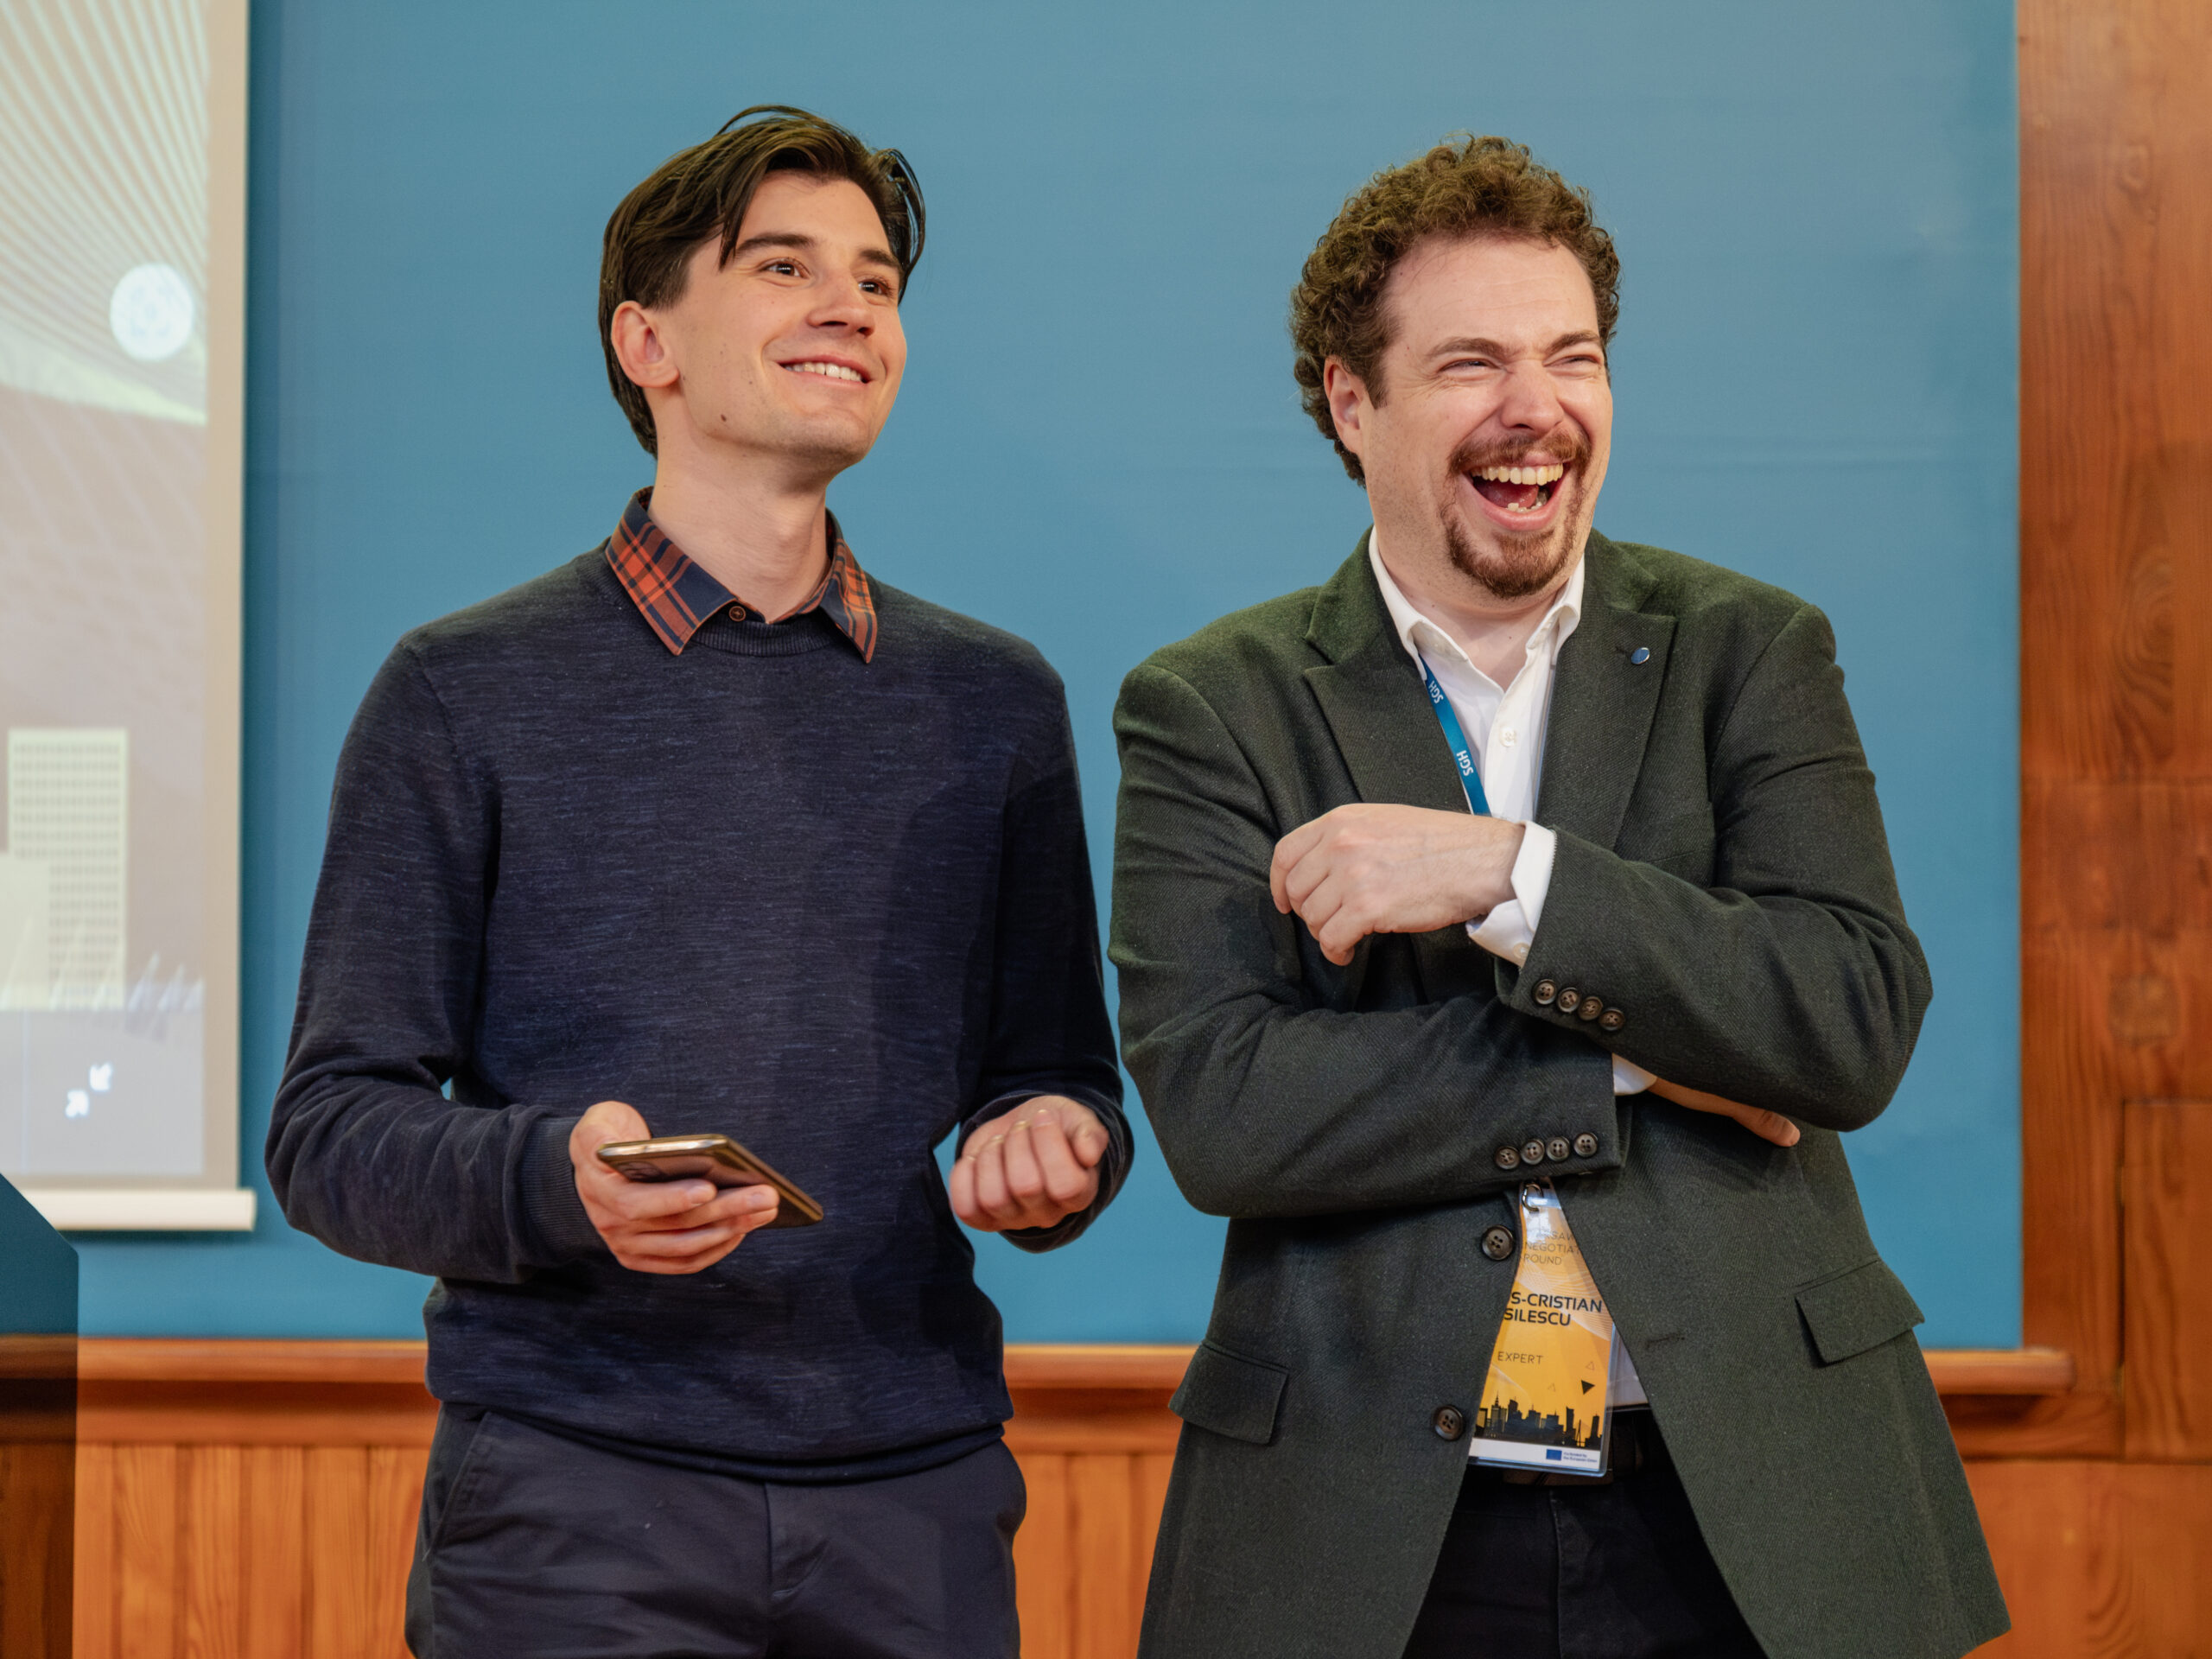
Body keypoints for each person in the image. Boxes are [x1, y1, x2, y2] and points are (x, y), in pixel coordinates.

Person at [1111, 136, 2005, 1659]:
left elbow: (1848, 1022)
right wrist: (1644, 1061)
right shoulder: (1212, 706)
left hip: (1754, 1511)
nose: (1537, 406)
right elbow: (1228, 1109)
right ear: (1351, 400)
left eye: (1572, 356)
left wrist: (1513, 874)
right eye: (1472, 361)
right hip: (1370, 1527)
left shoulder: (1750, 650)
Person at [267, 105, 1128, 1659]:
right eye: (784, 266)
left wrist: (1058, 1148)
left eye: (877, 281)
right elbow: (328, 1134)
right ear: (645, 341)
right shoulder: (459, 691)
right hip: (573, 1500)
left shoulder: (998, 703)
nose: (850, 306)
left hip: (918, 1497)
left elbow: (1057, 1081)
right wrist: (558, 1181)